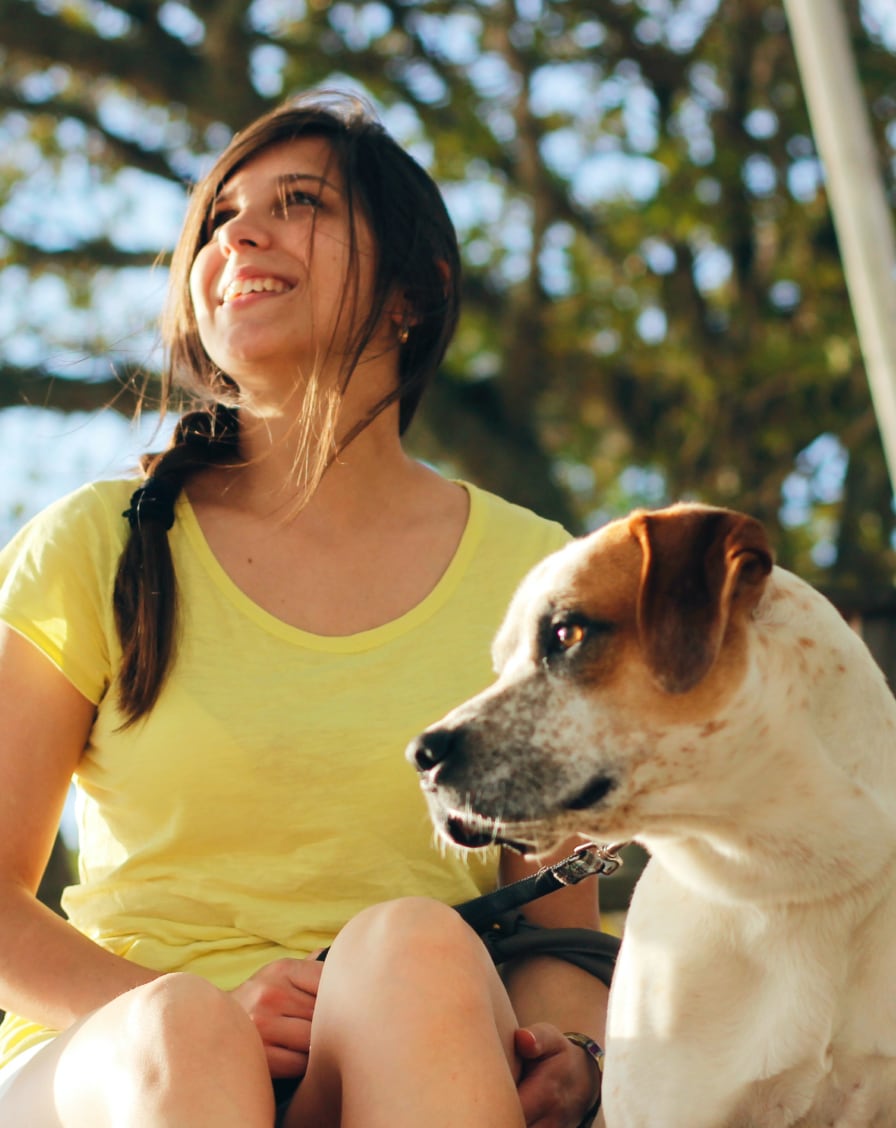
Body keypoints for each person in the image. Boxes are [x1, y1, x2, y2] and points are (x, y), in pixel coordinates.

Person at [0, 90, 610, 1127]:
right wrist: (212, 1009)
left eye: (298, 202)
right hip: (111, 1060)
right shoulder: (95, 545)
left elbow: (558, 931)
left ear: (414, 290)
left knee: (418, 945)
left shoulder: (535, 576)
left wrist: (574, 1053)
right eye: (220, 216)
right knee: (182, 1033)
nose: (241, 230)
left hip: (405, 1057)